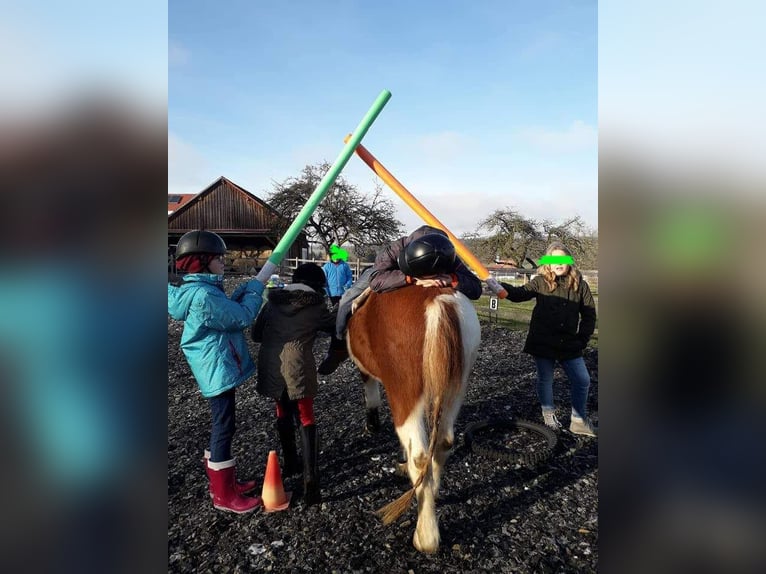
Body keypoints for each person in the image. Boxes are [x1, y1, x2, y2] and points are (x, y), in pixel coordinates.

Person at [167, 230, 265, 514]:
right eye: (218, 258)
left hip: (214, 365)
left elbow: (227, 312)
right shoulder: (204, 295)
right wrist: (255, 291)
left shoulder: (201, 291)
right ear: (202, 261)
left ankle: (224, 482)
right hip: (217, 368)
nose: (224, 262)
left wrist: (241, 292)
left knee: (224, 423)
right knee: (224, 425)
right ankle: (223, 495)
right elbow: (241, 317)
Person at [317, 225, 483, 375]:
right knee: (347, 298)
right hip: (392, 271)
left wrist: (451, 279)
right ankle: (337, 345)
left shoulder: (448, 254)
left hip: (434, 271)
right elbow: (376, 279)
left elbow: (475, 287)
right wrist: (412, 279)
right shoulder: (394, 249)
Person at [250, 263, 336, 505]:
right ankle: (311, 481)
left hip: (272, 362)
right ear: (317, 285)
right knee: (306, 416)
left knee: (282, 411)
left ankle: (290, 464)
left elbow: (256, 335)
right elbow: (332, 326)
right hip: (298, 363)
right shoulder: (315, 304)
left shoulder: (273, 301)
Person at [499, 241, 597, 437]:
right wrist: (500, 286)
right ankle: (549, 415)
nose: (558, 264)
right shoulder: (541, 282)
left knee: (582, 379)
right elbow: (520, 294)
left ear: (569, 261)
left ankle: (578, 420)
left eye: (562, 259)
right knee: (546, 379)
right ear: (548, 264)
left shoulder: (581, 285)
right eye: (554, 260)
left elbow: (589, 315)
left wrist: (582, 339)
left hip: (569, 343)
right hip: (543, 340)